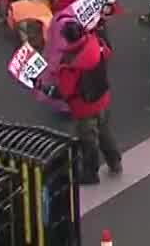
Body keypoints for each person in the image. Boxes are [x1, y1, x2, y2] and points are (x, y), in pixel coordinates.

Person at [52, 20, 123, 183]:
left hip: (84, 107)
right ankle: (115, 161)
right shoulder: (94, 42)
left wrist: (50, 90)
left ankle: (90, 173)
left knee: (88, 141)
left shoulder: (69, 62)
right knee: (105, 131)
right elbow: (107, 53)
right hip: (102, 98)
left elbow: (66, 90)